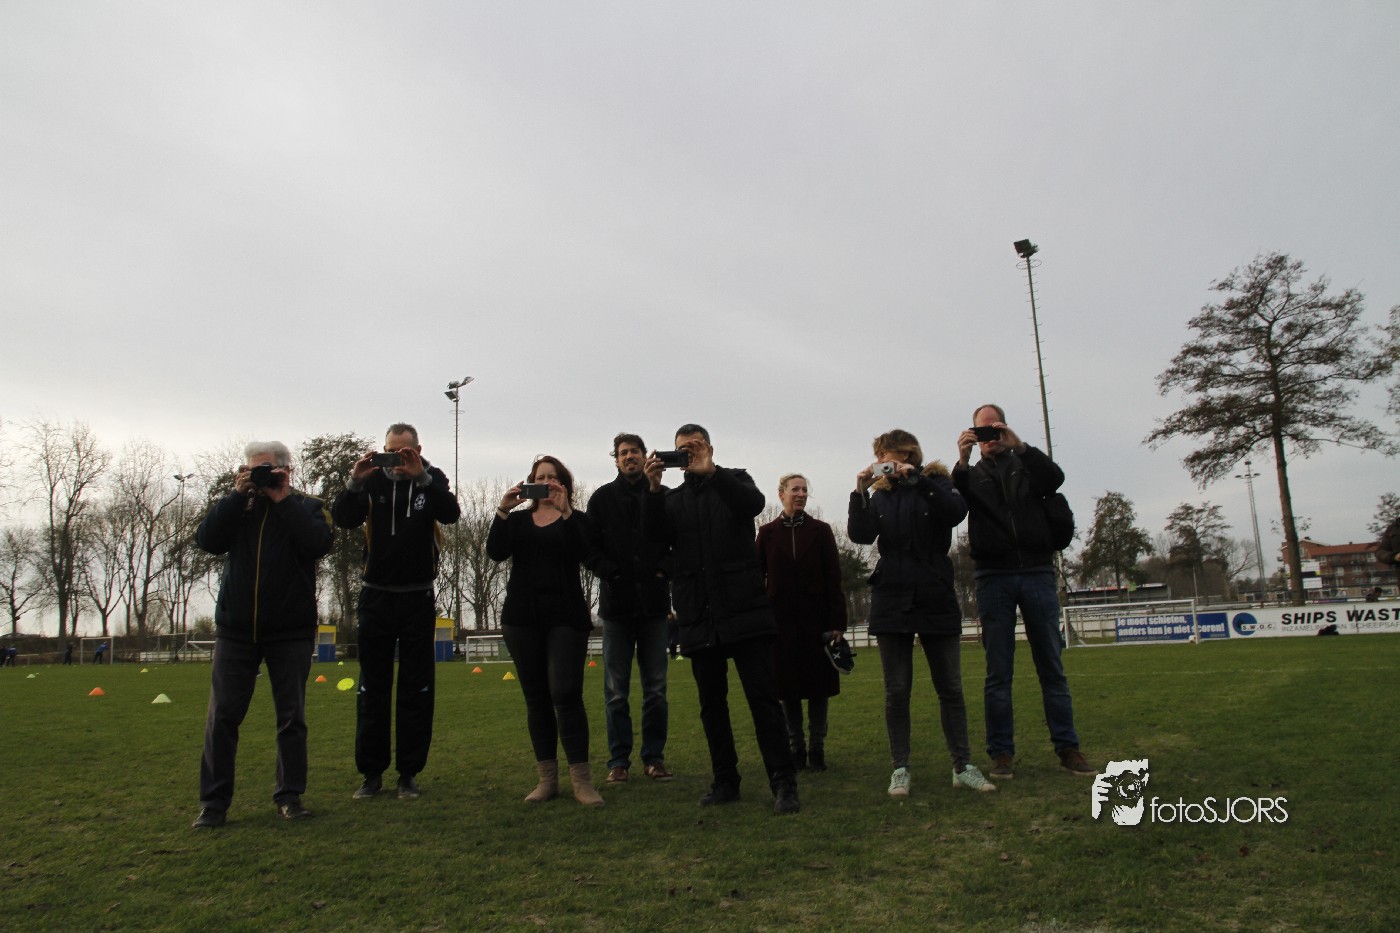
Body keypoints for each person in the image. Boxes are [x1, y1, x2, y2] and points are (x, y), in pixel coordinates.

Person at [642, 424, 800, 815]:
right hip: (699, 612)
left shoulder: (735, 480)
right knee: (712, 706)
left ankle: (784, 783)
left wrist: (712, 472)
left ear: (710, 448)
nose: (689, 453)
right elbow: (653, 540)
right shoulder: (670, 499)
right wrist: (652, 489)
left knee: (764, 701)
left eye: (695, 446)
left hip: (744, 607)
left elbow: (752, 505)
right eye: (682, 449)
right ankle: (725, 781)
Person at [191, 441, 335, 829]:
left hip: (290, 630)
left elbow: (318, 543)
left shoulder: (307, 506)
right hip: (236, 630)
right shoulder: (238, 507)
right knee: (222, 717)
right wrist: (235, 497)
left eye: (267, 469)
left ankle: (290, 797)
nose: (259, 476)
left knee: (291, 718)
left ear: (286, 470)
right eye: (252, 469)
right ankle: (213, 803)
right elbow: (206, 541)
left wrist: (282, 498)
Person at [848, 430, 995, 798]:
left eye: (887, 457)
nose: (882, 464)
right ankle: (900, 768)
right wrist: (859, 491)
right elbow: (861, 535)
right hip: (892, 596)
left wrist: (917, 480)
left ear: (907, 455)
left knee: (950, 687)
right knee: (897, 690)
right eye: (879, 458)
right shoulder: (880, 495)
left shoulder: (937, 483)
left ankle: (962, 766)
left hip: (934, 593)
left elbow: (956, 513)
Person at [954, 404, 1095, 779]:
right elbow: (954, 505)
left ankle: (1068, 748)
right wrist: (962, 461)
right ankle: (1001, 754)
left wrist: (1020, 446)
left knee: (1052, 667)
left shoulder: (1026, 465)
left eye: (994, 429)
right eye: (981, 431)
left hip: (1036, 571)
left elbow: (1055, 479)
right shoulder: (972, 475)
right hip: (993, 576)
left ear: (1005, 428)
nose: (989, 437)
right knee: (998, 672)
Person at [334, 422, 461, 801]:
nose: (396, 458)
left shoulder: (432, 477)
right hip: (375, 596)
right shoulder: (372, 479)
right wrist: (355, 481)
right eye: (390, 451)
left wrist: (421, 477)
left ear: (417, 450)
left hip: (417, 597)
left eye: (404, 452)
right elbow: (344, 518)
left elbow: (450, 513)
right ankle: (371, 774)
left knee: (416, 689)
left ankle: (408, 773)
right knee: (371, 688)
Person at [488, 455, 603, 807]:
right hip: (522, 617)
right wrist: (503, 510)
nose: (547, 483)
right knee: (536, 698)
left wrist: (566, 512)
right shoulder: (517, 521)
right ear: (530, 483)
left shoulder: (577, 520)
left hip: (566, 616)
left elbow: (585, 553)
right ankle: (547, 780)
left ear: (564, 484)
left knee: (566, 694)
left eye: (553, 478)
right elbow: (495, 552)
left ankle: (581, 781)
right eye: (540, 478)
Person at [582, 432, 674, 785]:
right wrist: (612, 573)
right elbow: (588, 549)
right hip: (616, 608)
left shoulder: (664, 495)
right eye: (623, 453)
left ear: (645, 455)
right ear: (616, 459)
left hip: (654, 608)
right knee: (616, 692)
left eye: (635, 451)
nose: (629, 457)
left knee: (656, 690)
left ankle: (654, 758)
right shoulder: (601, 499)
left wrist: (663, 571)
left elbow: (677, 542)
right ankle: (618, 761)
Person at [756, 473, 847, 772]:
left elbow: (834, 578)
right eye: (795, 489)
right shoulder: (766, 533)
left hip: (816, 623)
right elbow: (757, 579)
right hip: (780, 625)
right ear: (781, 493)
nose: (801, 494)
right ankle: (796, 747)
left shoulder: (821, 531)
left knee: (819, 689)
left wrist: (837, 622)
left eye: (805, 490)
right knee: (787, 691)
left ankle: (817, 747)